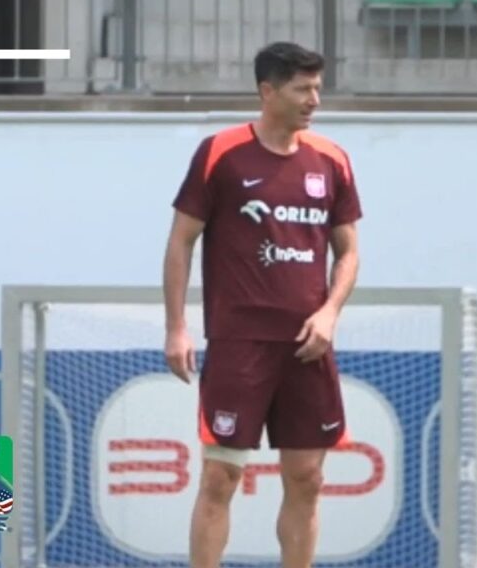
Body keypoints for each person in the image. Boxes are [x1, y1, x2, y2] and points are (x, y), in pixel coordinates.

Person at [161, 41, 362, 568]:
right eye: (302, 88)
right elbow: (181, 240)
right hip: (238, 346)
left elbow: (349, 252)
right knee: (220, 477)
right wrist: (177, 327)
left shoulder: (333, 160)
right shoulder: (220, 153)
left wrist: (330, 311)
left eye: (318, 87)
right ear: (267, 91)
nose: (314, 99)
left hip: (307, 348)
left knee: (307, 479)